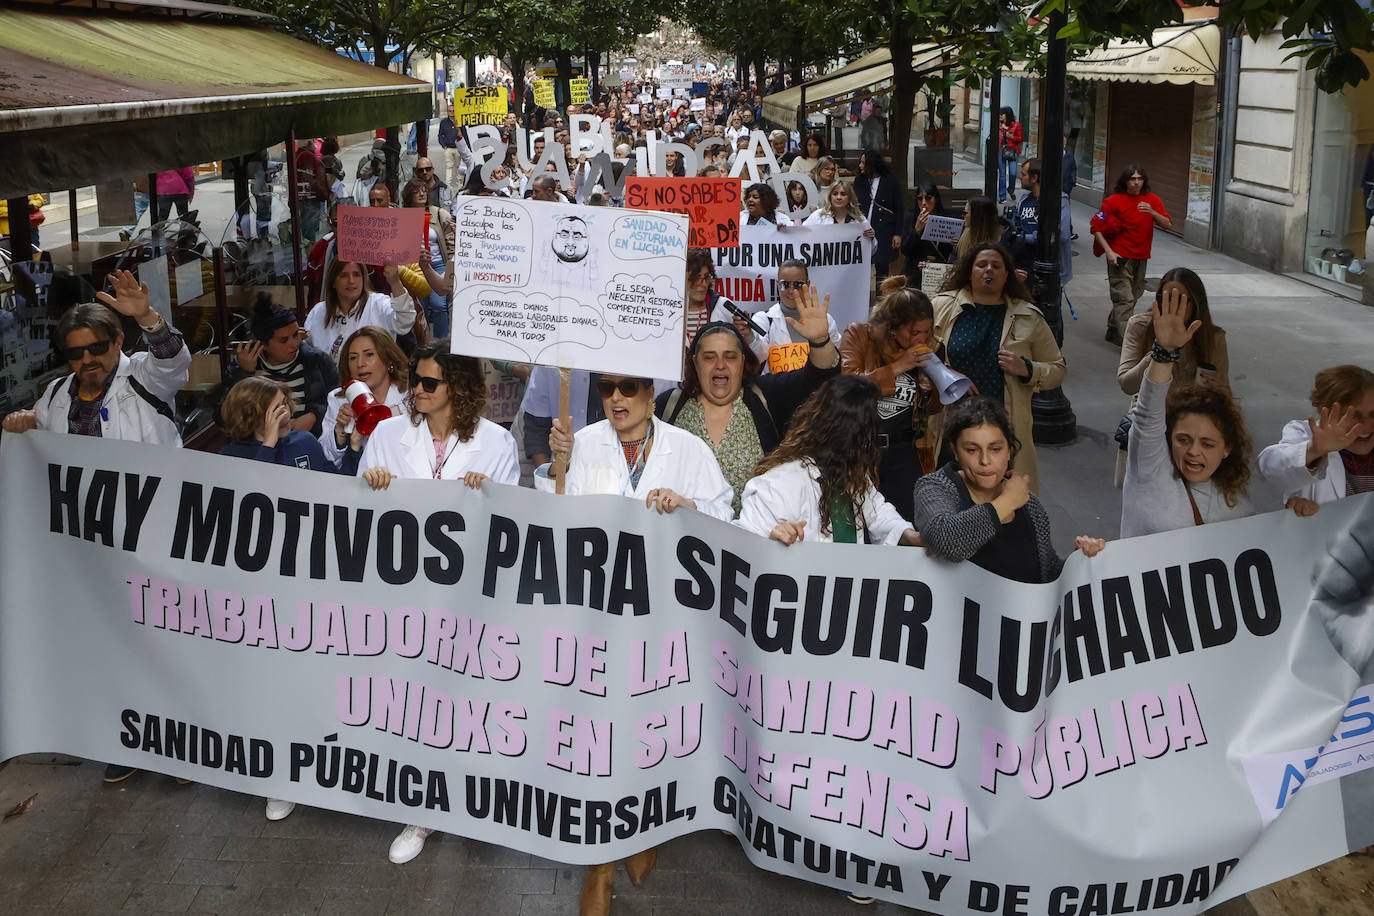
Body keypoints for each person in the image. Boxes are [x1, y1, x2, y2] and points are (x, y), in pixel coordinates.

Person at [1, 269, 191, 784]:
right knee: (112, 643)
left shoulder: (142, 379)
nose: (87, 361)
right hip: (94, 552)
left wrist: (148, 315)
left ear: (118, 342)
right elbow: (40, 443)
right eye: (76, 353)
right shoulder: (58, 396)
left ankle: (180, 747)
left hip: (156, 542)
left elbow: (176, 362)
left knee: (164, 640)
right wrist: (22, 426)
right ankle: (128, 740)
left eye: (97, 348)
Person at [558, 373, 733, 916]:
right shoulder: (582, 441)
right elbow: (557, 521)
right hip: (596, 615)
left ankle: (640, 830)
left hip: (665, 616)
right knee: (598, 733)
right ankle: (599, 866)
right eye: (607, 387)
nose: (616, 398)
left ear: (651, 396)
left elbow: (727, 519)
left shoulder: (689, 449)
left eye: (628, 388)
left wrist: (685, 506)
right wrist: (556, 468)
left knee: (646, 727)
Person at [358, 342, 519, 866]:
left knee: (465, 700)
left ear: (460, 389)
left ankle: (471, 798)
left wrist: (489, 493)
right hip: (403, 591)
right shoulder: (387, 434)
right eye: (416, 382)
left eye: (429, 384)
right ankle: (422, 809)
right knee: (414, 698)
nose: (418, 392)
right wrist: (373, 484)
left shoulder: (494, 442)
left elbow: (511, 520)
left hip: (467, 597)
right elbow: (360, 503)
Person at [658, 287, 841, 513]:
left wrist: (820, 340)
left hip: (757, 538)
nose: (720, 365)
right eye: (709, 357)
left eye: (730, 356)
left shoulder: (765, 396)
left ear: (743, 361)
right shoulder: (668, 406)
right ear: (695, 364)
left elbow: (820, 379)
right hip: (686, 539)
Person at [914, 396, 1105, 582]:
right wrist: (1007, 502)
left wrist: (1079, 559)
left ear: (1009, 451)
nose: (985, 461)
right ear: (955, 451)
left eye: (995, 449)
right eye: (972, 450)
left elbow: (1047, 573)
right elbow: (944, 541)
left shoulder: (1029, 506)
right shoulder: (935, 488)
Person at [1120, 287, 1257, 538]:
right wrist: (1164, 353)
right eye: (1183, 439)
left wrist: (1297, 515)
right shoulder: (1150, 471)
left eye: (1208, 443)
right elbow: (1149, 414)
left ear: (1227, 448)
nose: (1194, 451)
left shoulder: (1235, 497)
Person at [932, 243, 1066, 492]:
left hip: (1004, 427)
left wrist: (1027, 369)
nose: (988, 270)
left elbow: (1057, 368)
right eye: (981, 265)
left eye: (996, 266)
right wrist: (945, 374)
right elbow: (919, 352)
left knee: (1003, 502)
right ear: (969, 271)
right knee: (950, 496)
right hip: (950, 423)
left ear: (1007, 274)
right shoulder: (941, 306)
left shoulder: (1029, 316)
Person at [737, 375, 921, 546]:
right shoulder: (782, 481)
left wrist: (911, 536)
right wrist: (772, 536)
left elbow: (879, 514)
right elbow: (744, 543)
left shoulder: (852, 473)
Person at [840, 276, 949, 520]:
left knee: (907, 524)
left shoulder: (930, 347)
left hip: (906, 451)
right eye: (914, 332)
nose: (921, 339)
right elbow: (846, 387)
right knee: (863, 522)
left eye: (927, 331)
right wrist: (899, 366)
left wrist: (930, 389)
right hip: (862, 448)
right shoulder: (859, 335)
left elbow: (933, 409)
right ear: (892, 327)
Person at [1114, 267, 1229, 486]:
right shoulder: (1140, 325)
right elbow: (1127, 383)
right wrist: (1160, 352)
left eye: (1181, 301)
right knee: (1145, 495)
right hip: (1150, 425)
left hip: (1192, 432)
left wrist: (1220, 387)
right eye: (1166, 299)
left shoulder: (1213, 337)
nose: (1172, 308)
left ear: (1196, 304)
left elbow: (1226, 398)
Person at [1259, 365, 1374, 515]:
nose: (1364, 427)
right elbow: (1269, 469)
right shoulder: (1304, 435)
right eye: (1351, 415)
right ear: (1322, 409)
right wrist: (1314, 451)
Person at [223, 296, 337, 437]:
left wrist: (315, 416)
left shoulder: (316, 360)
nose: (294, 344)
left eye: (296, 335)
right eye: (284, 340)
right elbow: (224, 417)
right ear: (263, 345)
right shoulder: (244, 366)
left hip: (309, 442)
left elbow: (339, 399)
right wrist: (244, 373)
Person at [1091, 165, 1172, 346]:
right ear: (1125, 181)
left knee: (1134, 295)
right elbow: (1096, 227)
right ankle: (1132, 344)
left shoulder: (1152, 200)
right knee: (1124, 299)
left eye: (1139, 179)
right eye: (1132, 179)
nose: (1136, 183)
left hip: (1141, 257)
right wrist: (1109, 251)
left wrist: (1152, 212)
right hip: (1120, 258)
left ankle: (1113, 327)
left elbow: (1167, 224)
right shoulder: (1113, 202)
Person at [318, 326, 411, 471]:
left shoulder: (411, 395)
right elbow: (326, 458)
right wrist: (340, 432)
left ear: (388, 360)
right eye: (353, 357)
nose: (360, 364)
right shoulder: (338, 399)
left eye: (369, 355)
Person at [304, 259, 416, 360]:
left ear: (364, 278)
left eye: (356, 274)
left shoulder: (379, 304)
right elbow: (308, 352)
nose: (351, 281)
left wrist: (395, 282)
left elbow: (405, 322)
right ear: (333, 282)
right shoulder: (318, 312)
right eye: (343, 275)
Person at [219, 376, 336, 472]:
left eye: (284, 403)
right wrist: (268, 445)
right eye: (275, 410)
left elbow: (341, 486)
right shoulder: (230, 457)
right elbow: (255, 494)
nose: (285, 413)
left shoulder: (305, 441)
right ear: (248, 417)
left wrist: (352, 446)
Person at [754, 259, 841, 373]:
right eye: (785, 284)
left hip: (817, 389)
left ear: (808, 284)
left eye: (798, 285)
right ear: (777, 285)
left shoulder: (825, 320)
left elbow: (835, 361)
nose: (791, 291)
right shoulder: (763, 319)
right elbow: (754, 358)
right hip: (775, 390)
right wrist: (750, 338)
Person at [401, 178, 455, 340]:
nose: (422, 193)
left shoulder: (439, 214)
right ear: (409, 195)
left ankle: (441, 345)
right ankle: (422, 345)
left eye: (424, 190)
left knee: (439, 305)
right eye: (417, 191)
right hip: (414, 267)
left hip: (438, 265)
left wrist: (451, 266)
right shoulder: (402, 217)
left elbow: (450, 242)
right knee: (420, 308)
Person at [1008, 158, 1073, 289]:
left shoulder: (1059, 201)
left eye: (1024, 174)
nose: (1021, 177)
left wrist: (1027, 237)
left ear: (1034, 178)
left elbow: (1062, 235)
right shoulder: (1024, 200)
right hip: (1025, 268)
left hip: (1050, 270)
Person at [684, 248, 754, 347]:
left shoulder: (723, 306)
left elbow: (756, 356)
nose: (703, 284)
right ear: (681, 278)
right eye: (696, 278)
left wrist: (747, 337)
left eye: (706, 277)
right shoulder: (668, 309)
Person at [853, 150, 903, 280]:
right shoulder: (859, 181)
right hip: (863, 229)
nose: (860, 165)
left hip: (884, 229)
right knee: (861, 266)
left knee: (882, 268)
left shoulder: (890, 181)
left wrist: (897, 233)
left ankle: (881, 298)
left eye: (863, 163)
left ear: (872, 164)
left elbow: (898, 208)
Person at [902, 184, 952, 286]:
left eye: (928, 198)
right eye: (920, 198)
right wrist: (917, 230)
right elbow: (905, 250)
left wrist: (953, 242)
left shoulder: (944, 220)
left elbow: (947, 252)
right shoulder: (910, 218)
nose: (924, 203)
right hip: (914, 273)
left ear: (935, 199)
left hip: (937, 272)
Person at [802, 181, 877, 241]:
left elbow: (870, 251)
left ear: (849, 198)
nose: (839, 197)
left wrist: (871, 239)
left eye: (843, 194)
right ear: (830, 197)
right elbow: (802, 236)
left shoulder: (860, 219)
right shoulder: (818, 216)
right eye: (835, 194)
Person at [954, 196, 1002, 264]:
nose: (963, 216)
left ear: (976, 216)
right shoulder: (965, 233)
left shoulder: (1002, 242)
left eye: (965, 213)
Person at [997, 107, 1023, 204]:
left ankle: (1011, 190)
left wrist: (1011, 136)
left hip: (1012, 151)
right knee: (1002, 175)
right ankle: (1002, 196)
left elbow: (1020, 138)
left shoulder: (1016, 125)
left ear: (1007, 115)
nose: (1000, 116)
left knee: (1013, 173)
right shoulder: (998, 126)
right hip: (1000, 151)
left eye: (1002, 114)